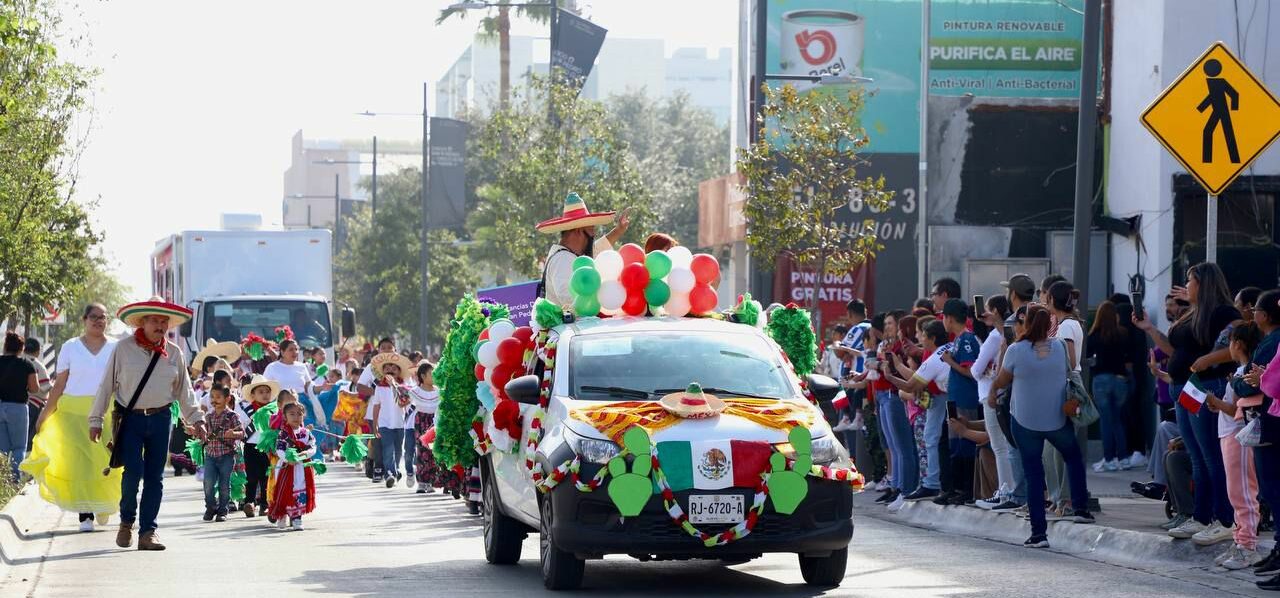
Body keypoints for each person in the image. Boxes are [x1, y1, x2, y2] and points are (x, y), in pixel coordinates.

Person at [89, 299, 208, 551]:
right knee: (132, 473)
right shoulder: (122, 349)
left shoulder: (174, 352)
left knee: (155, 477)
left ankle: (148, 532)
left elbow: (185, 391)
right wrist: (95, 419)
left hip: (161, 418)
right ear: (142, 322)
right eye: (155, 320)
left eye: (164, 321)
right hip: (129, 419)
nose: (160, 325)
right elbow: (106, 385)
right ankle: (126, 522)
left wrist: (197, 419)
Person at [1134, 263, 1238, 546]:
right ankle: (1201, 516)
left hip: (1206, 387)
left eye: (1190, 281)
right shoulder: (1193, 313)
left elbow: (1234, 346)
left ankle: (1225, 519)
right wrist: (1150, 329)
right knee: (1196, 456)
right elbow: (1175, 351)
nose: (1186, 285)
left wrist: (1206, 361)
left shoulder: (1223, 313)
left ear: (1204, 283)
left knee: (1210, 456)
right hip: (1186, 389)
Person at [989, 305, 1093, 550]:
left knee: (1034, 474)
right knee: (1073, 458)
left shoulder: (1016, 350)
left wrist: (994, 390)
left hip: (1025, 421)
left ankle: (1039, 534)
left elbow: (1002, 381)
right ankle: (1079, 507)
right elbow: (1070, 369)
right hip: (1056, 419)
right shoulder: (1058, 347)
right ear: (1049, 325)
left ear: (1025, 324)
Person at [24, 304, 120, 531]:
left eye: (103, 318)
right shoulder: (71, 347)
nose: (98, 321)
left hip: (105, 412)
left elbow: (122, 383)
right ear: (84, 319)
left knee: (108, 461)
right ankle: (85, 515)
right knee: (81, 465)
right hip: (73, 414)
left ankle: (103, 505)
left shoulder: (116, 347)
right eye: (94, 317)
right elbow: (59, 385)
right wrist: (44, 415)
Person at [1204, 323, 1264, 568]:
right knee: (1235, 492)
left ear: (1237, 344)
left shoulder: (1246, 373)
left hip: (1238, 436)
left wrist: (1215, 401)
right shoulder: (1241, 371)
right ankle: (1240, 541)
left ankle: (1248, 546)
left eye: (1229, 342)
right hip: (1230, 434)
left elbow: (1237, 409)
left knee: (1242, 492)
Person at [885, 319, 951, 502]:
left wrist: (891, 374)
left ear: (933, 338)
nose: (919, 338)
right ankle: (940, 483)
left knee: (931, 439)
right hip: (951, 399)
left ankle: (932, 484)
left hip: (942, 400)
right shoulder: (950, 347)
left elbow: (910, 386)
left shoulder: (935, 357)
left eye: (923, 335)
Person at [972, 297, 1024, 512]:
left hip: (991, 394)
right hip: (1004, 393)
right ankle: (1008, 490)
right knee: (1006, 446)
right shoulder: (1006, 334)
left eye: (987, 310)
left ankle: (1006, 491)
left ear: (994, 311)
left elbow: (976, 370)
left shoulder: (995, 336)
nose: (983, 314)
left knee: (1000, 447)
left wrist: (986, 371)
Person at [535, 192, 631, 308]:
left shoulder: (569, 256)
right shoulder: (562, 259)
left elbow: (596, 249)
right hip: (569, 326)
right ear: (578, 230)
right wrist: (599, 296)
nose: (594, 234)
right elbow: (567, 298)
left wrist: (618, 230)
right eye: (591, 229)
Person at [939, 298, 981, 505]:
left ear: (950, 318)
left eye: (943, 317)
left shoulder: (966, 339)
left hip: (965, 399)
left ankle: (967, 489)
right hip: (954, 398)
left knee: (965, 444)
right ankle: (955, 488)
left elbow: (971, 371)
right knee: (954, 444)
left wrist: (949, 361)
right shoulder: (957, 339)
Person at [1088, 300, 1136, 471]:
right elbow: (1129, 358)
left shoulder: (1094, 335)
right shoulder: (1123, 333)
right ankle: (1123, 458)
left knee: (1106, 421)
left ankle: (1109, 459)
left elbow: (1086, 357)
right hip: (1120, 379)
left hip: (1101, 379)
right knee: (1117, 420)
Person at [268, 402, 317, 531]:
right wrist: (288, 458)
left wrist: (307, 453)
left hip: (302, 467)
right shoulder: (283, 434)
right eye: (292, 414)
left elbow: (313, 446)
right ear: (285, 416)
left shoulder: (306, 433)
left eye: (299, 414)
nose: (296, 417)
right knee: (285, 490)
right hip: (286, 467)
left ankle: (297, 518)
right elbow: (279, 450)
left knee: (300, 489)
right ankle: (282, 515)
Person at [264, 339, 327, 435]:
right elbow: (265, 388)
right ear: (282, 352)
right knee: (284, 435)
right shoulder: (272, 367)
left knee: (307, 434)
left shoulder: (301, 366)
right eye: (291, 349)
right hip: (280, 406)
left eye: (296, 349)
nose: (295, 352)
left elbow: (309, 387)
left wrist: (323, 387)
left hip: (301, 406)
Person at [369, 351, 413, 488]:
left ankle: (395, 470)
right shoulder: (379, 388)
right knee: (388, 449)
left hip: (399, 424)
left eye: (394, 368)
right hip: (384, 424)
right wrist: (375, 425)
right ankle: (389, 473)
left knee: (398, 449)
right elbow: (376, 407)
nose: (390, 370)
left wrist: (395, 386)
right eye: (387, 368)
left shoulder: (404, 387)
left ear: (399, 372)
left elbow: (404, 402)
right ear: (382, 371)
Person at [237, 375, 278, 518]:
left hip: (268, 447)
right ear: (253, 395)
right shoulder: (246, 410)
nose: (265, 395)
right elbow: (240, 426)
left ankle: (265, 505)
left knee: (266, 476)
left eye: (267, 392)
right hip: (250, 446)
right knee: (251, 476)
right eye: (261, 392)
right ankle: (250, 502)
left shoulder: (274, 409)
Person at [201, 384, 244, 522]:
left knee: (224, 485)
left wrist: (233, 433)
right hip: (210, 455)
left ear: (227, 398)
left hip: (227, 455)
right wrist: (195, 432)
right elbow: (204, 435)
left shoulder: (232, 416)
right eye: (212, 397)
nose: (214, 400)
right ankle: (210, 507)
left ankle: (222, 511)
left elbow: (242, 433)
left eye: (218, 397)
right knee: (208, 483)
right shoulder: (208, 416)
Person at [0, 332, 38, 482]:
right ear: (21, 348)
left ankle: (2, 481)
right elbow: (35, 388)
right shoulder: (26, 364)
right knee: (19, 448)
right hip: (18, 408)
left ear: (5, 346)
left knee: (2, 449)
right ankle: (15, 481)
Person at [408, 362, 446, 494]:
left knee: (434, 451)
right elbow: (402, 401)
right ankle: (422, 482)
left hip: (435, 421)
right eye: (431, 373)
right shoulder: (415, 391)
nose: (434, 376)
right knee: (422, 451)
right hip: (421, 421)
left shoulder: (439, 391)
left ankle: (431, 481)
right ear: (423, 376)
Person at [22, 337, 52, 453]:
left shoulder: (18, 361)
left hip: (17, 403)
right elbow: (44, 388)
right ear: (38, 351)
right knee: (29, 437)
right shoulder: (38, 365)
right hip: (34, 405)